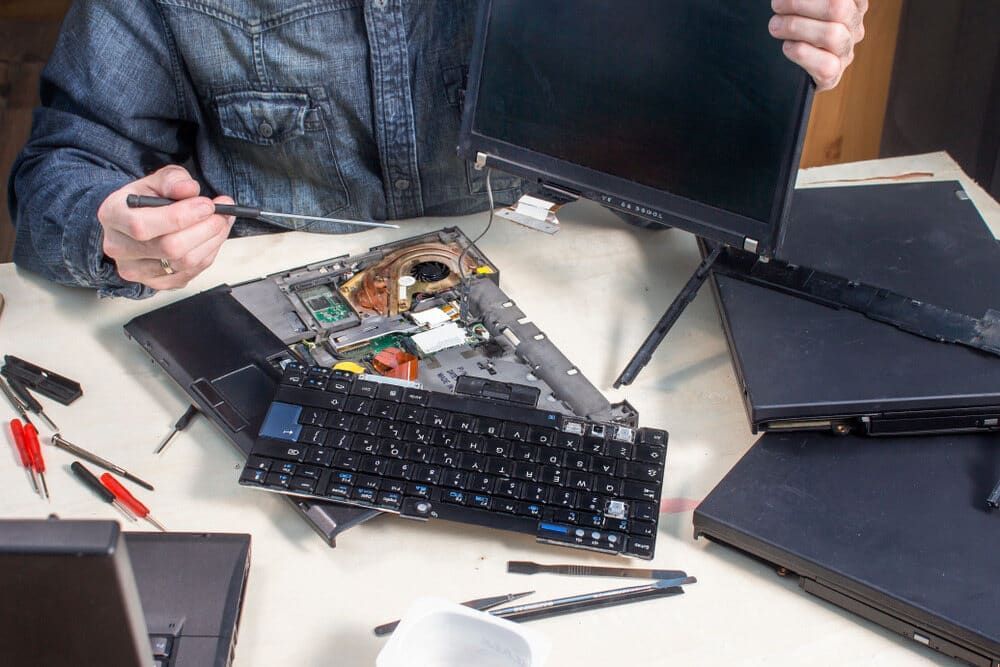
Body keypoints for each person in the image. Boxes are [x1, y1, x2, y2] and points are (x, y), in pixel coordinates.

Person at [8, 0, 867, 298]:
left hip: (567, 306)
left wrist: (764, 66)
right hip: (283, 340)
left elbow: (676, 163)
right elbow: (65, 165)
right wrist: (107, 228)